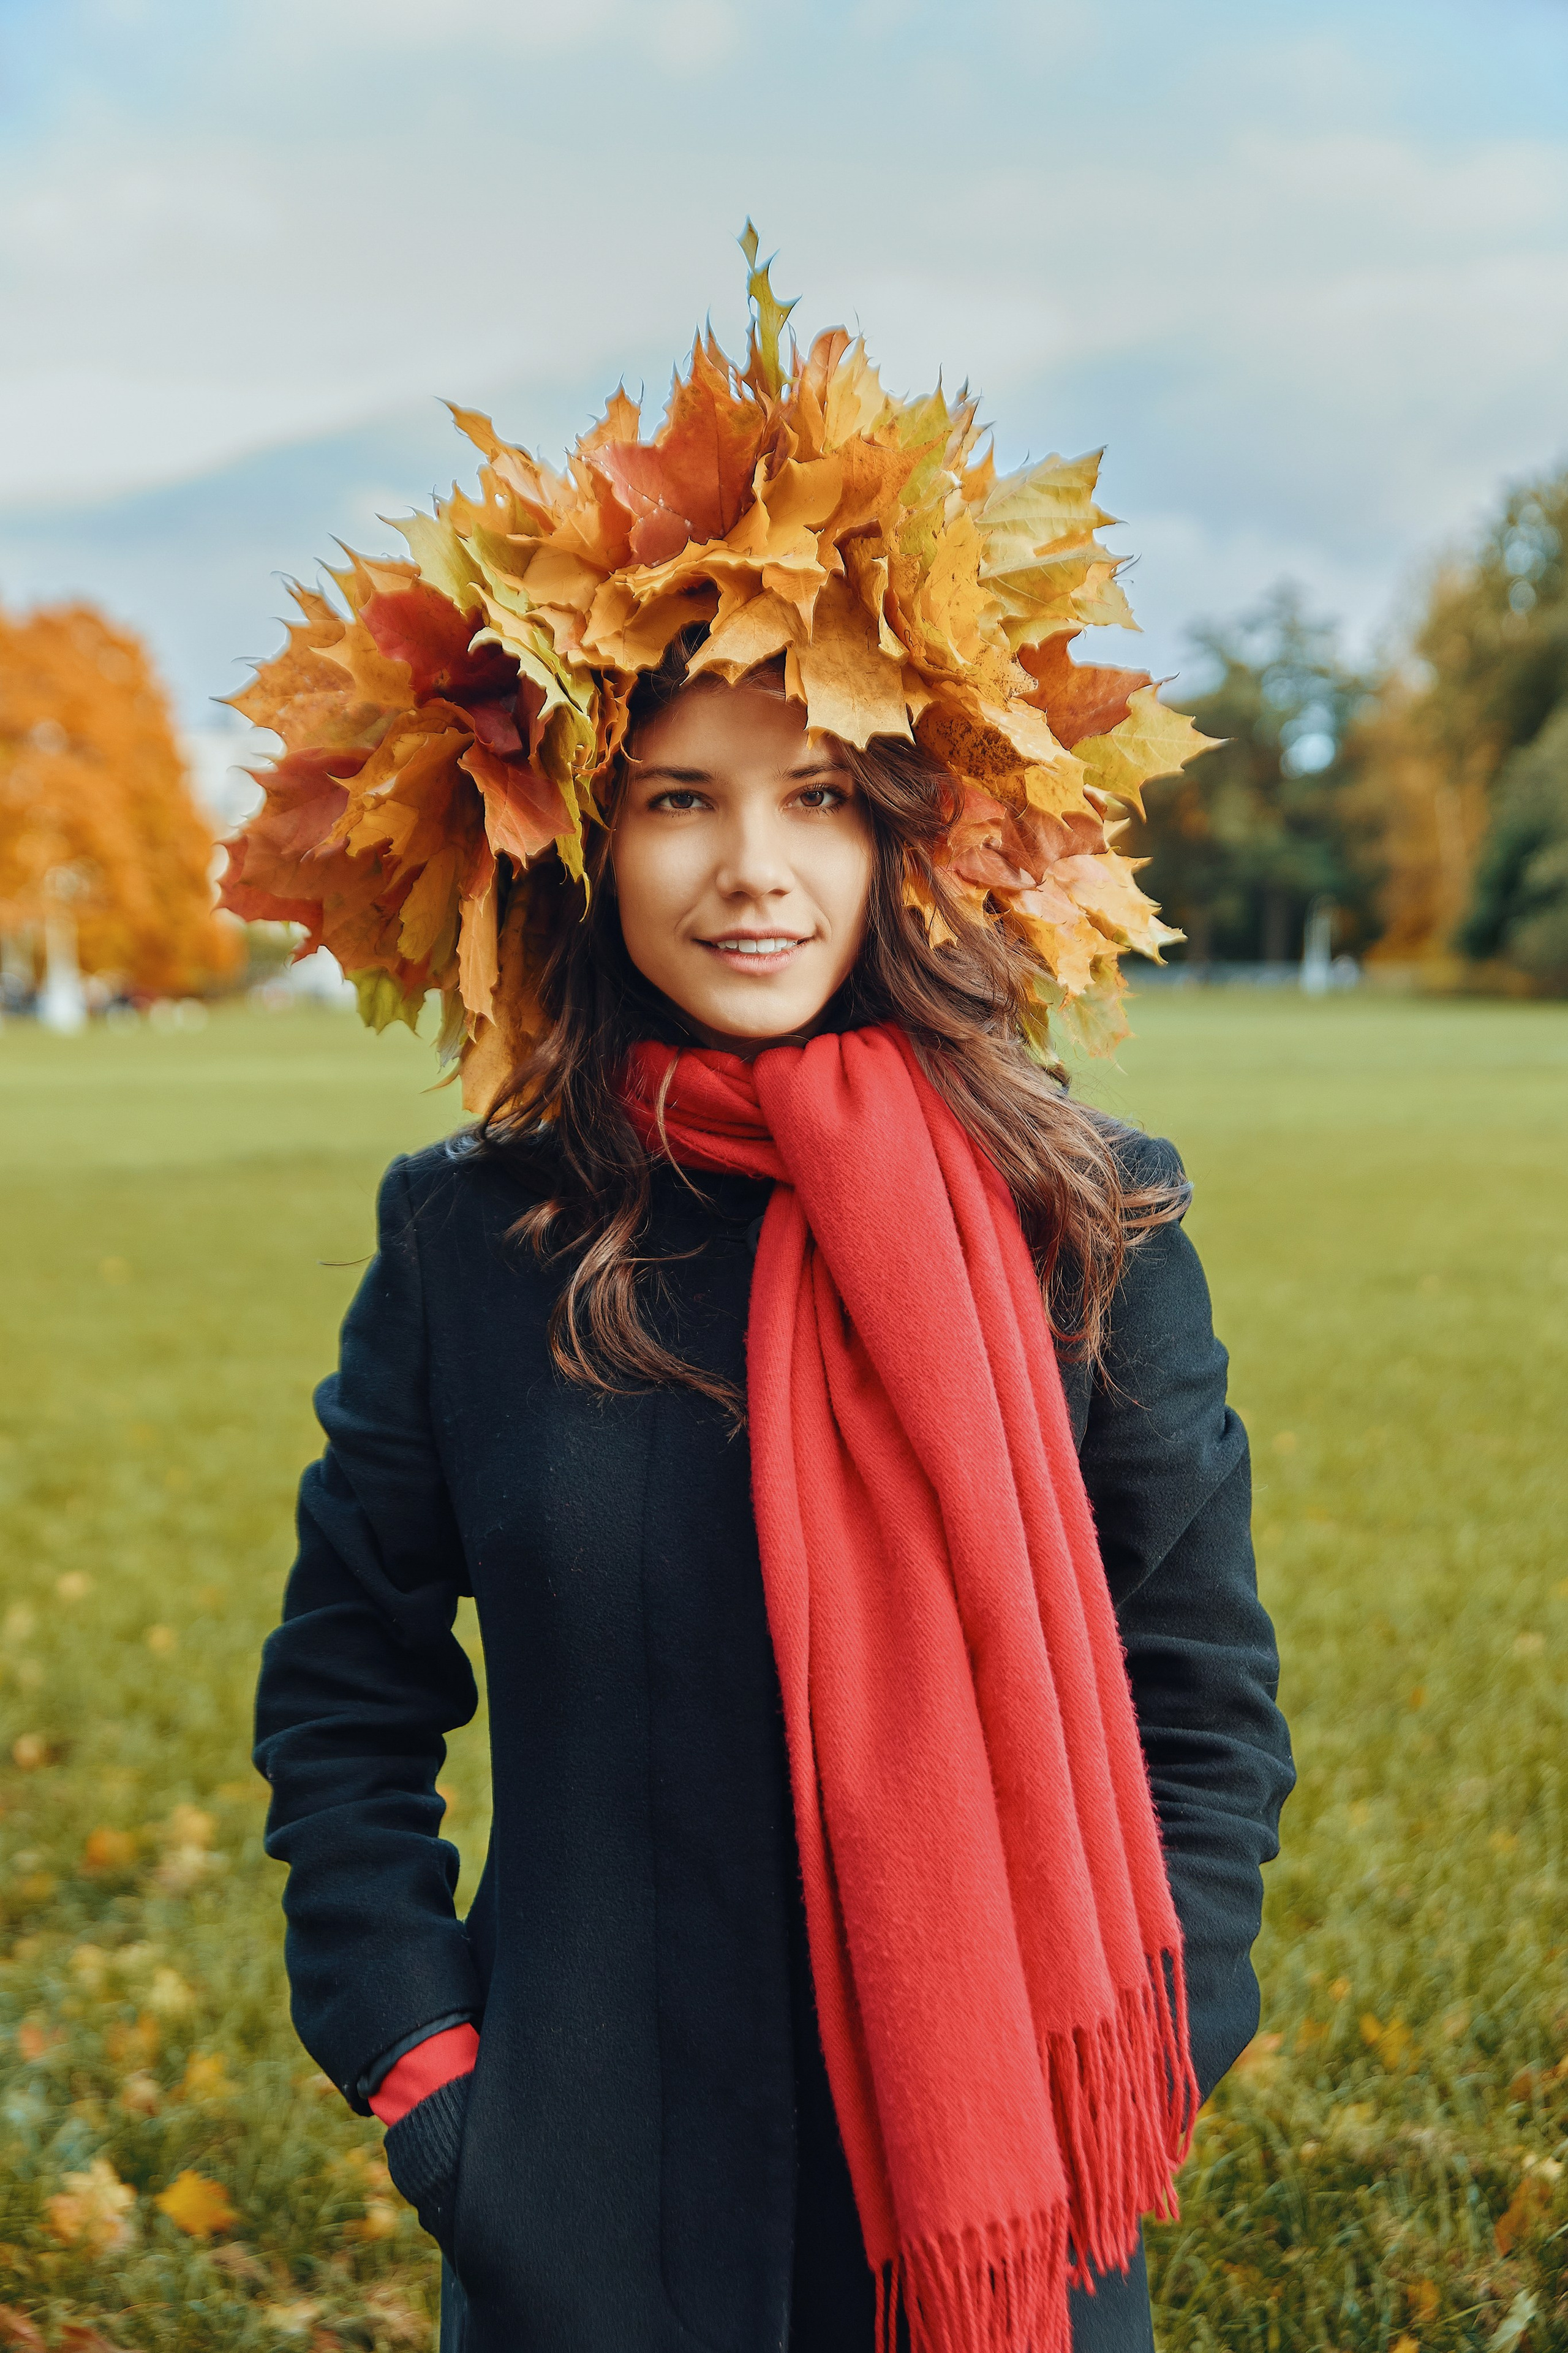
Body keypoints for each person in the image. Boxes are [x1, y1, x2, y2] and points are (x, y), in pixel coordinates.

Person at [236, 238, 1293, 2353]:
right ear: (580, 844)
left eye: (820, 797)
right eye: (680, 802)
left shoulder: (1088, 1223)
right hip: (590, 2209)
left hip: (1005, 2203)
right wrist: (441, 2086)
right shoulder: (474, 1239)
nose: (757, 872)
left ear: (909, 832)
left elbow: (1206, 1698)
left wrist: (1149, 2030)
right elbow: (347, 1696)